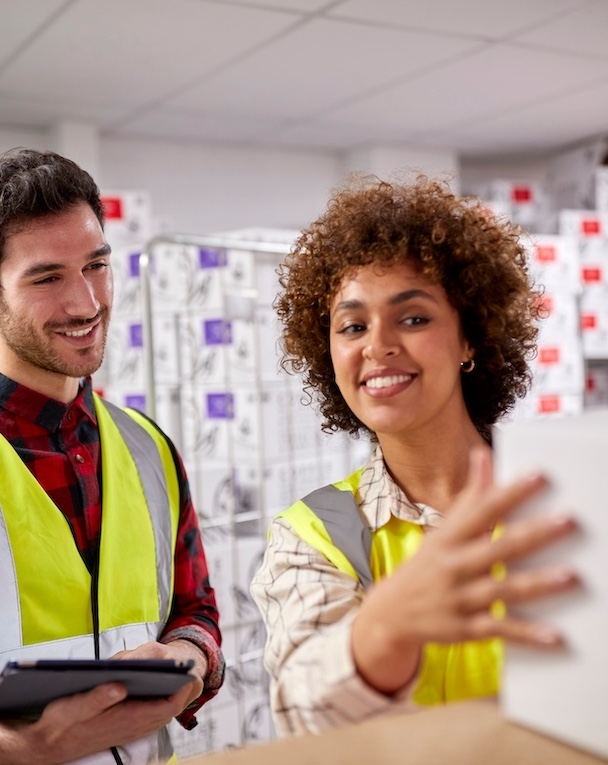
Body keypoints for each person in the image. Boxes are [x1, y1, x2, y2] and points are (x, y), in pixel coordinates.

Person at [250, 175, 580, 737]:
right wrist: (386, 627)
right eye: (352, 325)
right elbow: (300, 713)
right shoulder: (314, 534)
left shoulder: (569, 498)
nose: (377, 345)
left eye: (414, 317)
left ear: (469, 338)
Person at [0, 147, 225, 765]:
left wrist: (191, 656)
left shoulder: (148, 446)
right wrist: (30, 747)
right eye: (46, 278)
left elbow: (194, 608)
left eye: (96, 265)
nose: (85, 303)